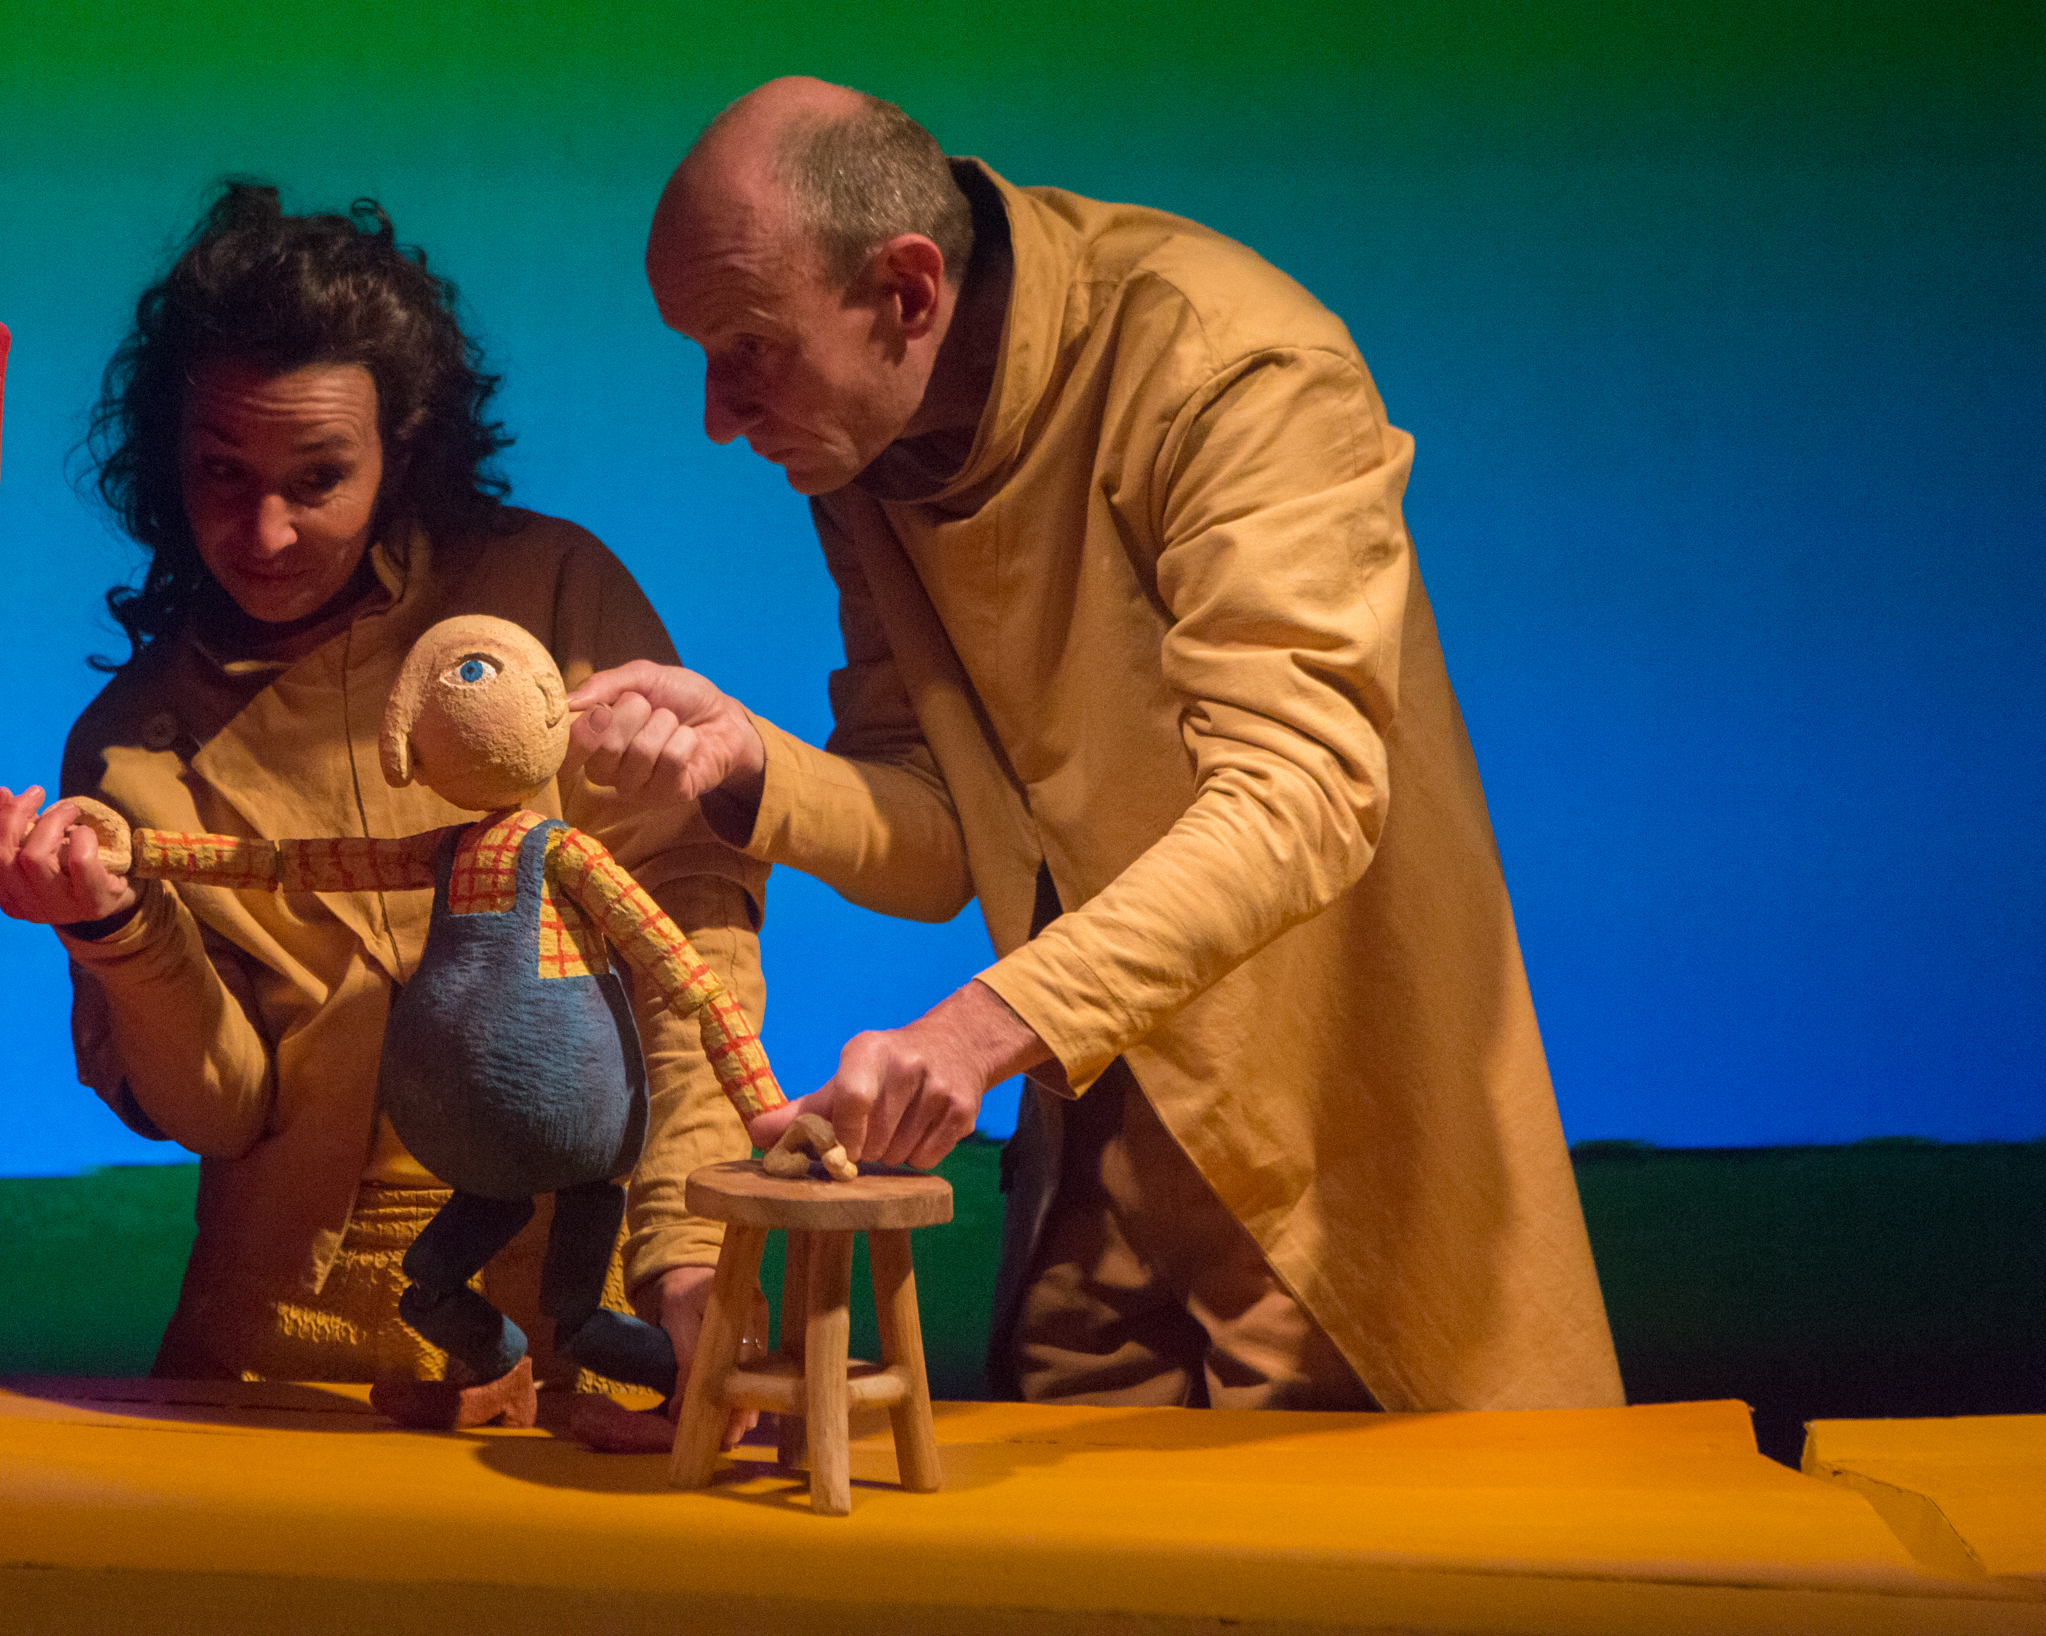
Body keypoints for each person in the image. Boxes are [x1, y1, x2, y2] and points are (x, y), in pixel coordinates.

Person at [571, 77, 1623, 1412]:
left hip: (1322, 1146)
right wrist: (749, 764)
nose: (719, 413)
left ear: (906, 291)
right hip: (1093, 1142)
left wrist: (975, 1031)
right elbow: (945, 842)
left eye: (748, 348)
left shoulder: (1229, 366)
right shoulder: (864, 450)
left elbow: (1301, 795)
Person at [0, 181, 765, 1402]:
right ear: (167, 459)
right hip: (284, 1345)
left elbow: (693, 929)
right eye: (222, 472)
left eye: (319, 476)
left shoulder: (551, 596)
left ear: (405, 449)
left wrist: (690, 1256)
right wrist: (116, 933)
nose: (266, 533)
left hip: (599, 1310)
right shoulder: (131, 749)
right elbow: (224, 1111)